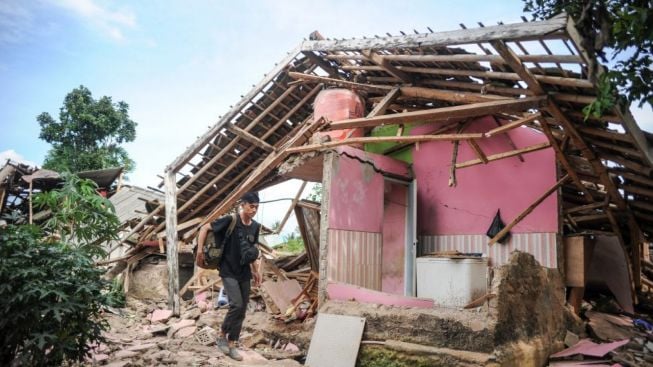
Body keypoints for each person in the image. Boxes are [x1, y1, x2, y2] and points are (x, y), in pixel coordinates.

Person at [196, 192, 262, 361]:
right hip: (227, 269)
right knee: (236, 304)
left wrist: (255, 271)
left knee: (242, 309)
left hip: (244, 272)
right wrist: (199, 251)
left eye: (257, 207)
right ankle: (221, 335)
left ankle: (231, 343)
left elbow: (251, 250)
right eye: (251, 206)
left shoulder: (255, 227)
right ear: (243, 204)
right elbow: (204, 228)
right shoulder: (231, 220)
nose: (254, 210)